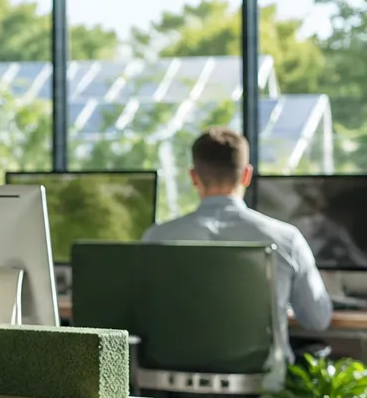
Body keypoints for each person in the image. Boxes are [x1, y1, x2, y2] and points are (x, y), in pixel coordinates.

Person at [141, 126, 333, 373]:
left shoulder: (155, 238)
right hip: (260, 394)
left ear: (193, 176)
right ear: (246, 175)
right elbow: (318, 320)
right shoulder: (286, 239)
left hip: (169, 388)